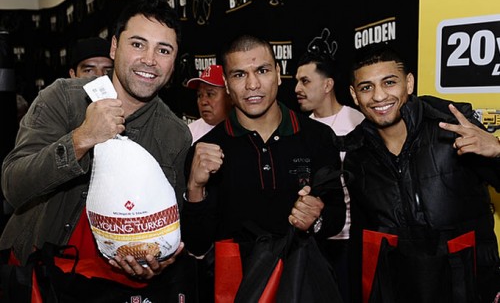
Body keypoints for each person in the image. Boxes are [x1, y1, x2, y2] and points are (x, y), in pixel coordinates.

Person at [0, 0, 196, 301]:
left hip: (119, 286)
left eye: (164, 50)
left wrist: (154, 262)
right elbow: (13, 186)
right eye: (138, 44)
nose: (150, 60)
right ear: (115, 47)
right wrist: (81, 138)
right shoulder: (63, 99)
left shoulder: (175, 134)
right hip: (42, 276)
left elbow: (164, 226)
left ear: (174, 61)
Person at [181, 34, 346, 302]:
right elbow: (197, 244)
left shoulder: (317, 136)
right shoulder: (205, 149)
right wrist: (195, 187)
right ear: (226, 83)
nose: (252, 84)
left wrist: (317, 218)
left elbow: (336, 216)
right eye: (239, 75)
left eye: (262, 70)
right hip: (235, 289)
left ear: (279, 74)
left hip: (302, 282)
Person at [343, 42, 500, 303]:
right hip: (398, 289)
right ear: (354, 95)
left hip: (469, 287)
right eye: (366, 87)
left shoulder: (453, 126)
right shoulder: (356, 155)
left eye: (389, 82)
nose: (379, 96)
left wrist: (497, 150)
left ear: (410, 83)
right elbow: (363, 242)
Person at [295, 50, 364, 303]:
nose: (297, 89)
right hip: (315, 241)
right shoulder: (303, 131)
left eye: (305, 81)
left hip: (354, 240)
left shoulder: (359, 122)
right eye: (296, 81)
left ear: (328, 85)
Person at [186, 64, 232, 144]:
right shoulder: (188, 134)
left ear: (230, 96)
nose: (203, 102)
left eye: (210, 94)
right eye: (199, 95)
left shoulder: (247, 130)